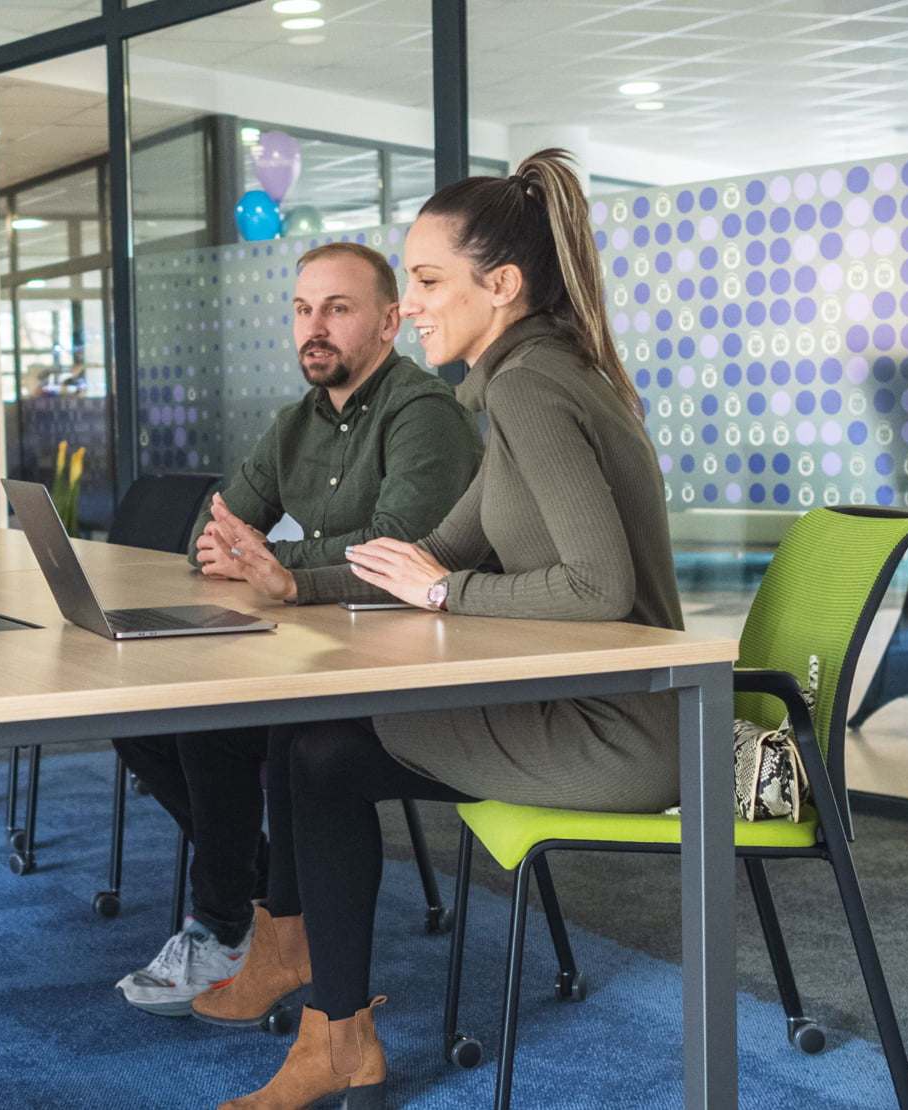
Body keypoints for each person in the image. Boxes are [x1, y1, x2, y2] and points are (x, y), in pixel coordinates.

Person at [198, 149, 683, 1110]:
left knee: (323, 751)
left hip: (620, 731)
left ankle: (333, 1034)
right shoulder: (531, 377)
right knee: (312, 738)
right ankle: (321, 1006)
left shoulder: (529, 388)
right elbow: (414, 553)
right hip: (591, 706)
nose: (411, 306)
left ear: (500, 286)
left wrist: (446, 596)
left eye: (426, 281)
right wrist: (292, 583)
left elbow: (597, 586)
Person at [109, 243, 478, 1018]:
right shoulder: (295, 423)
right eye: (304, 310)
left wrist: (281, 569)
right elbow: (208, 538)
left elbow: (399, 550)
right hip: (331, 650)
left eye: (338, 310)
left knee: (224, 727)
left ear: (388, 323)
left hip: (426, 664)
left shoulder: (424, 414)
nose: (316, 328)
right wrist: (255, 560)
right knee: (144, 725)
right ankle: (266, 894)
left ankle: (227, 929)